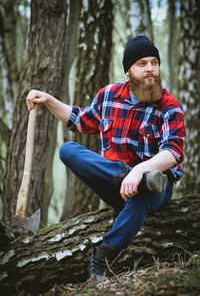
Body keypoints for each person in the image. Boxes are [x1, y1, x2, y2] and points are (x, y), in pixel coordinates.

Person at [26, 35, 186, 280]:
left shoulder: (168, 106)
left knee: (143, 194)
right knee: (68, 150)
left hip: (155, 188)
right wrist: (48, 100)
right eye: (142, 64)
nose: (150, 69)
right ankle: (129, 179)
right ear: (128, 71)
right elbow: (79, 120)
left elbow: (173, 152)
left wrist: (139, 171)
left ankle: (100, 260)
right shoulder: (109, 95)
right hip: (116, 182)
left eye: (154, 62)